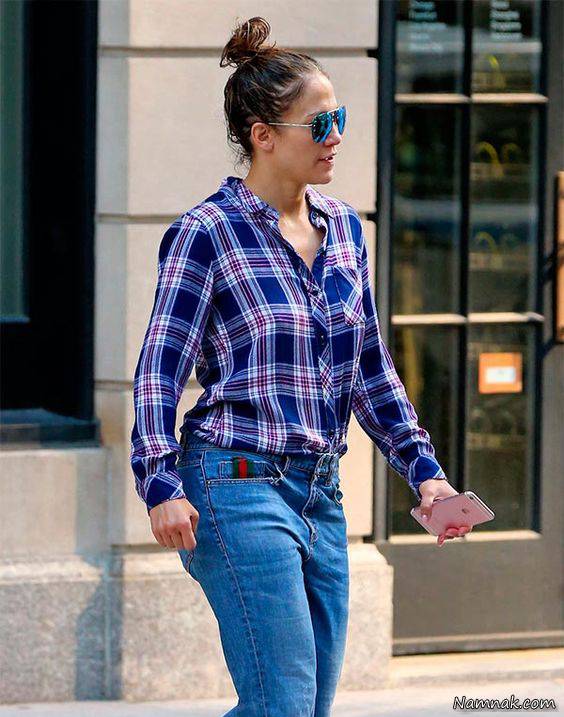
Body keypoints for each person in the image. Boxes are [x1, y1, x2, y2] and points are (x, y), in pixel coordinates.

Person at [130, 16, 471, 716]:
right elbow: (160, 368)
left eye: (339, 119)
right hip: (235, 483)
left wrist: (426, 473)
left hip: (321, 491)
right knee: (282, 702)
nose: (337, 135)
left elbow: (368, 367)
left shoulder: (344, 228)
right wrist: (159, 480)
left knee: (306, 705)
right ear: (263, 135)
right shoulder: (206, 234)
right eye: (321, 123)